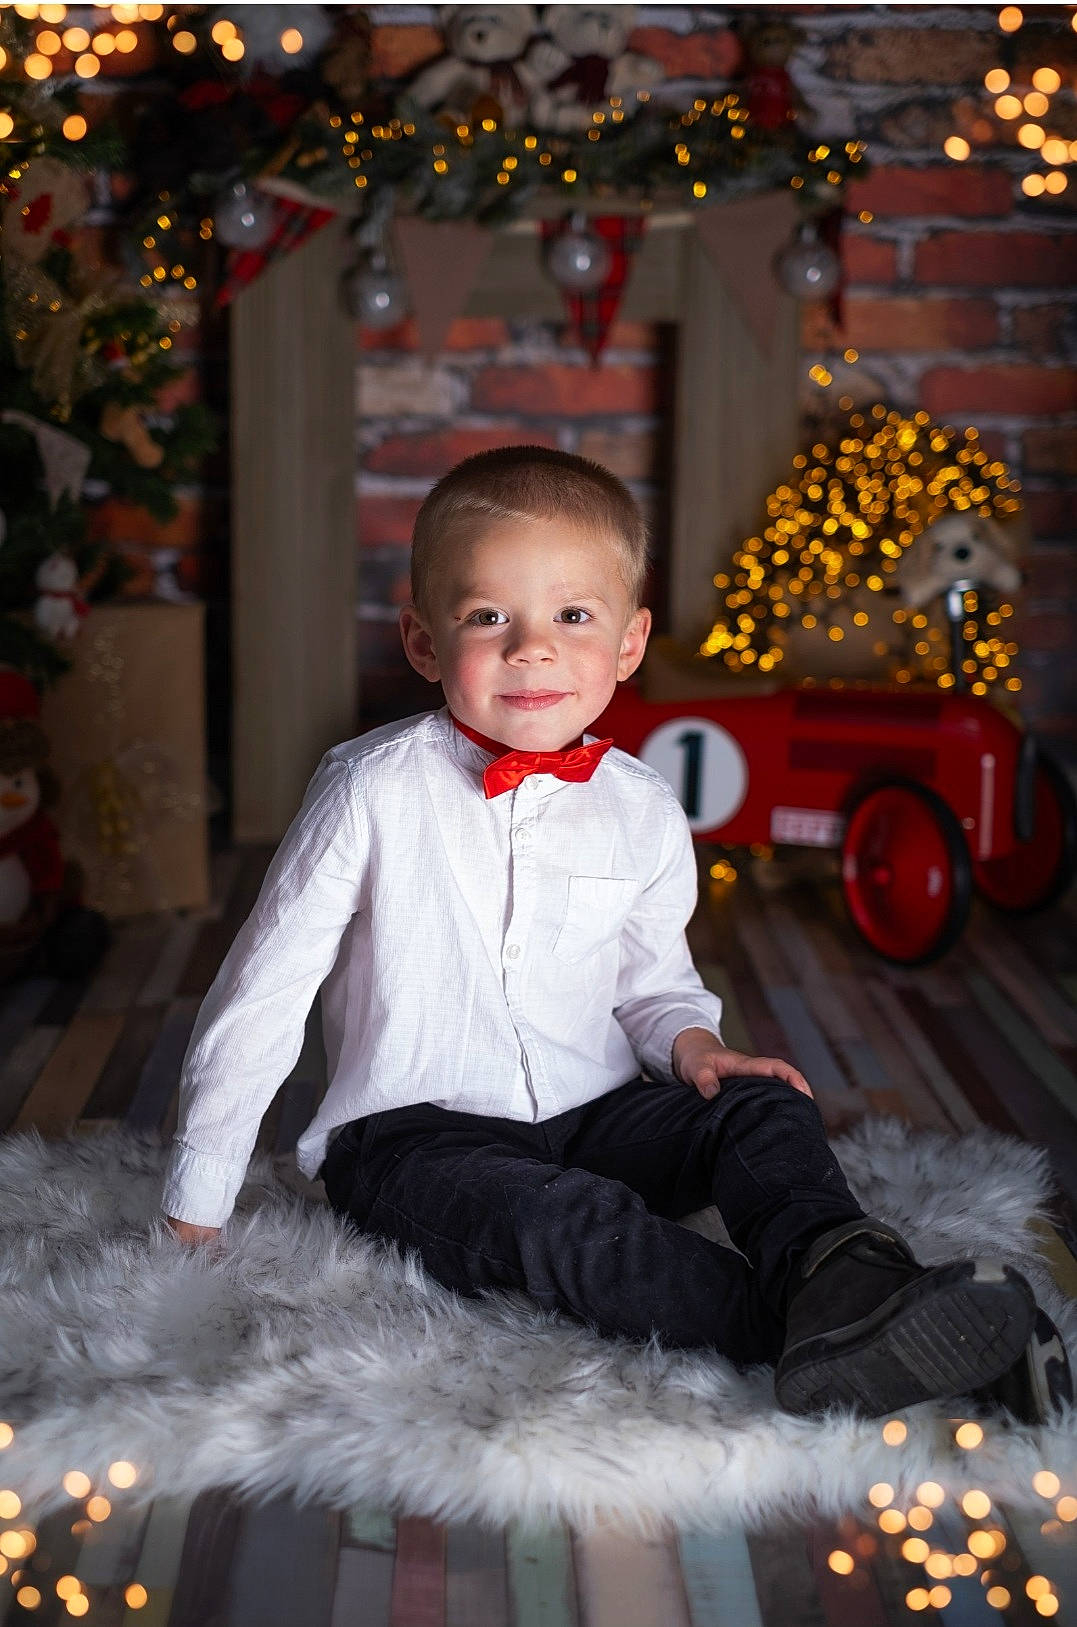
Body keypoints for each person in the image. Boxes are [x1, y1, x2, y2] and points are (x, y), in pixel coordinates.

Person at [162, 445, 1069, 1423]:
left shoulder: (641, 805)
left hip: (595, 1113)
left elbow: (652, 980)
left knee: (761, 1106)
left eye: (572, 616)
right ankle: (816, 1330)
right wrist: (197, 1196)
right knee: (563, 1223)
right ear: (424, 641)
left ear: (630, 644)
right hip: (415, 1142)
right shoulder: (368, 790)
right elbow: (263, 991)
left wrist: (696, 1044)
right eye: (488, 616)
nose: (532, 648)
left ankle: (839, 1272)